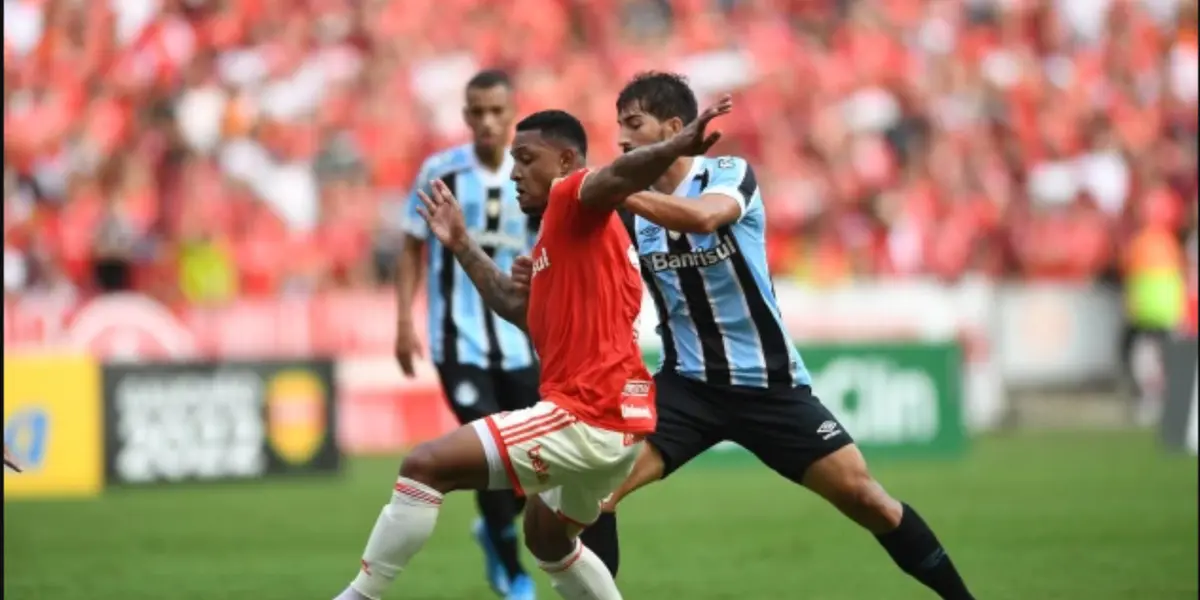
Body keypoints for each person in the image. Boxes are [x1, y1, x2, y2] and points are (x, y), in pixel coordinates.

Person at [566, 72, 976, 600]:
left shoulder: (728, 174)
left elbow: (705, 220)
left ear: (672, 127)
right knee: (599, 492)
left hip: (770, 384)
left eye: (633, 124)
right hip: (688, 386)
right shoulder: (626, 212)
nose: (620, 138)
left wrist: (620, 191)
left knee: (867, 499)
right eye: (618, 125)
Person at [332, 98, 732, 600]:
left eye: (525, 159)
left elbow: (614, 176)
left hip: (587, 414)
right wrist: (461, 243)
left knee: (425, 465)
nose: (514, 172)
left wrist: (675, 146)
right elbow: (518, 310)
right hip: (621, 422)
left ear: (565, 162)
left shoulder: (574, 195)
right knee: (545, 537)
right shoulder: (565, 240)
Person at [393, 69, 538, 599]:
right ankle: (511, 570)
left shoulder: (534, 173)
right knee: (489, 452)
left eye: (497, 111)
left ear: (513, 112)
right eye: (477, 112)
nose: (487, 122)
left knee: (528, 463)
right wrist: (405, 321)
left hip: (523, 341)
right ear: (465, 116)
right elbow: (411, 245)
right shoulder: (441, 172)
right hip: (458, 341)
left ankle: (495, 525)